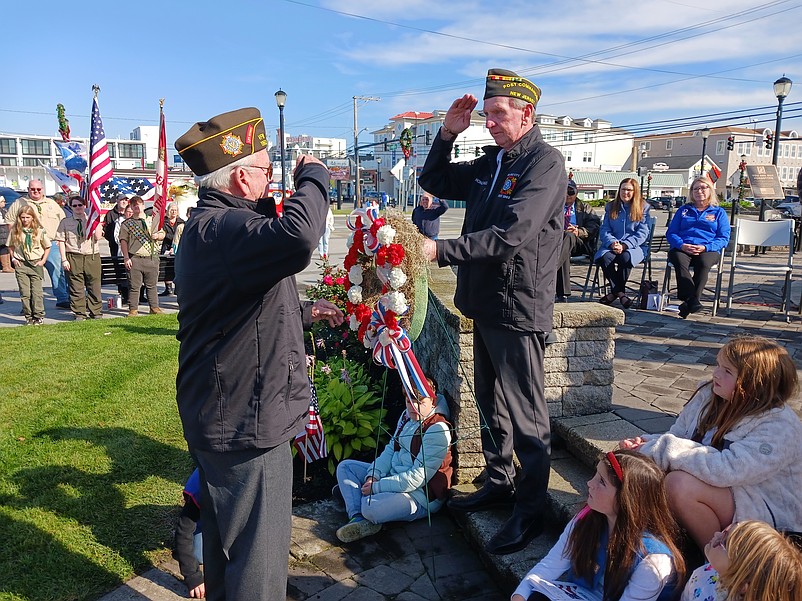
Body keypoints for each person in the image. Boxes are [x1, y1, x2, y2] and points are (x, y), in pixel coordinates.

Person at [174, 106, 344, 600]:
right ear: (242, 177)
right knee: (259, 564)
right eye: (269, 171)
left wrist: (309, 313)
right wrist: (314, 175)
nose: (273, 181)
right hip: (246, 421)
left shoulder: (215, 228)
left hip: (228, 410)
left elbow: (241, 307)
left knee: (228, 554)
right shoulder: (225, 230)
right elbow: (299, 237)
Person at [418, 69, 564, 555]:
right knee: (489, 399)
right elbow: (433, 178)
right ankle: (499, 480)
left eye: (498, 114)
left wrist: (439, 251)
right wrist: (447, 134)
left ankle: (529, 510)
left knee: (527, 414)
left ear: (528, 114)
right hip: (484, 302)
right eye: (486, 114)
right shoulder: (491, 161)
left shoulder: (545, 164)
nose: (490, 123)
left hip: (518, 306)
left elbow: (512, 235)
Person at [621, 336, 802, 550]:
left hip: (764, 510)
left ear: (755, 383)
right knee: (628, 464)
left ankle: (713, 563)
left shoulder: (779, 425)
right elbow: (678, 437)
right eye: (718, 365)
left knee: (679, 485)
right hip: (724, 495)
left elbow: (728, 468)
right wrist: (647, 443)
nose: (715, 374)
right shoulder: (709, 396)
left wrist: (660, 448)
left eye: (727, 371)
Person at [512, 450, 685, 601]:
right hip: (583, 594)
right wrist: (519, 596)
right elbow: (550, 565)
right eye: (595, 475)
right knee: (534, 596)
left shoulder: (653, 559)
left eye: (601, 482)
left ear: (628, 500)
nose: (589, 483)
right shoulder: (586, 519)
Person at [334, 378, 453, 543]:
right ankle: (358, 518)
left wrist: (376, 487)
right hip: (393, 478)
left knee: (370, 506)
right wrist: (373, 476)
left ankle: (355, 499)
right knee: (346, 467)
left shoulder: (437, 430)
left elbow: (417, 478)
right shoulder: (407, 415)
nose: (413, 407)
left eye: (420, 402)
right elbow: (391, 449)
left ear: (432, 401)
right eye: (408, 400)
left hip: (419, 496)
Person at [682, 521, 802, 601]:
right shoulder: (703, 575)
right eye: (725, 532)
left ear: (742, 586)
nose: (716, 534)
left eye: (723, 542)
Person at [666, 176, 731, 318]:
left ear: (710, 190)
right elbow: (671, 233)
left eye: (703, 187)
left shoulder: (718, 212)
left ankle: (688, 302)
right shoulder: (683, 210)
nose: (699, 191)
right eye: (696, 188)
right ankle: (692, 300)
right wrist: (682, 245)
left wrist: (705, 247)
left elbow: (723, 238)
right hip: (683, 247)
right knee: (678, 259)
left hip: (707, 248)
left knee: (704, 262)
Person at [5, 179, 70, 308]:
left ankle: (62, 298)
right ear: (28, 189)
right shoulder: (19, 203)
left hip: (51, 244)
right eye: (32, 189)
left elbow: (64, 222)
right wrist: (17, 239)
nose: (35, 192)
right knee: (28, 276)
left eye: (38, 189)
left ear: (43, 189)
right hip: (27, 246)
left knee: (58, 272)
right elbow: (10, 222)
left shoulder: (51, 203)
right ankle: (29, 305)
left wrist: (62, 240)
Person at [593, 178, 651, 308]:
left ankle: (614, 294)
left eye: (629, 190)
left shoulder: (643, 207)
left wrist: (625, 245)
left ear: (635, 191)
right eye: (623, 189)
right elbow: (605, 229)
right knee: (605, 257)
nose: (626, 192)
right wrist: (613, 243)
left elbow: (642, 233)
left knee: (626, 257)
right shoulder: (611, 206)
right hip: (612, 245)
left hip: (634, 247)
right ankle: (621, 294)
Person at [55, 195, 103, 320]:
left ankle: (96, 312)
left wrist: (96, 220)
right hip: (74, 255)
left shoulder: (92, 220)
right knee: (76, 286)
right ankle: (79, 313)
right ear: (71, 207)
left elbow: (98, 237)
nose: (78, 208)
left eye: (80, 205)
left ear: (85, 206)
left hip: (91, 255)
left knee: (94, 285)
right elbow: (61, 241)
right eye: (74, 205)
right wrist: (64, 259)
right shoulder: (65, 222)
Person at [118, 195, 165, 316]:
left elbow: (162, 233)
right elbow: (123, 241)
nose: (137, 207)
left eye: (138, 204)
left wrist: (158, 236)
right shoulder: (127, 224)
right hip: (135, 258)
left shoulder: (153, 220)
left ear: (143, 205)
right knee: (134, 286)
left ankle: (154, 307)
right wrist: (126, 257)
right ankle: (133, 309)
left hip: (151, 257)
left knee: (152, 285)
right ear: (131, 208)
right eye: (134, 205)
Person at [556, 178, 600, 301]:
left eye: (570, 192)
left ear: (576, 193)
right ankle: (562, 294)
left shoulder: (584, 207)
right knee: (564, 248)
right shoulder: (553, 206)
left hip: (580, 243)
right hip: (557, 243)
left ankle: (550, 271)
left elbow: (594, 226)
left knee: (569, 236)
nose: (567, 195)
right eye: (563, 191)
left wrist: (579, 231)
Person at [7, 206, 51, 325]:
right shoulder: (15, 230)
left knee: (36, 292)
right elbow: (10, 245)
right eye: (23, 217)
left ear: (32, 218)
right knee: (25, 292)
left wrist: (43, 261)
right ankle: (28, 316)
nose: (25, 220)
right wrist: (13, 258)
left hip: (35, 262)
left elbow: (47, 247)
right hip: (21, 264)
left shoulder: (39, 230)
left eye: (28, 217)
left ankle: (38, 316)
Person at [173, 468, 205, 599]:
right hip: (207, 517)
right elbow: (183, 532)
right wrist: (193, 577)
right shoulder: (200, 486)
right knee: (200, 556)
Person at [159, 201, 184, 296]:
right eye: (172, 210)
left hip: (178, 247)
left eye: (175, 210)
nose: (174, 212)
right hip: (166, 246)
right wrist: (171, 236)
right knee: (165, 268)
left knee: (177, 268)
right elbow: (162, 233)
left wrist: (174, 240)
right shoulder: (164, 222)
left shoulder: (181, 222)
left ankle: (177, 287)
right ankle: (168, 288)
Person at [103, 193, 129, 258]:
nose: (124, 202)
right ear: (117, 201)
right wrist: (112, 240)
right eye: (122, 200)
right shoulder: (110, 214)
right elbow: (106, 230)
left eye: (125, 200)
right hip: (115, 246)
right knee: (117, 265)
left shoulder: (130, 213)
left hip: (129, 246)